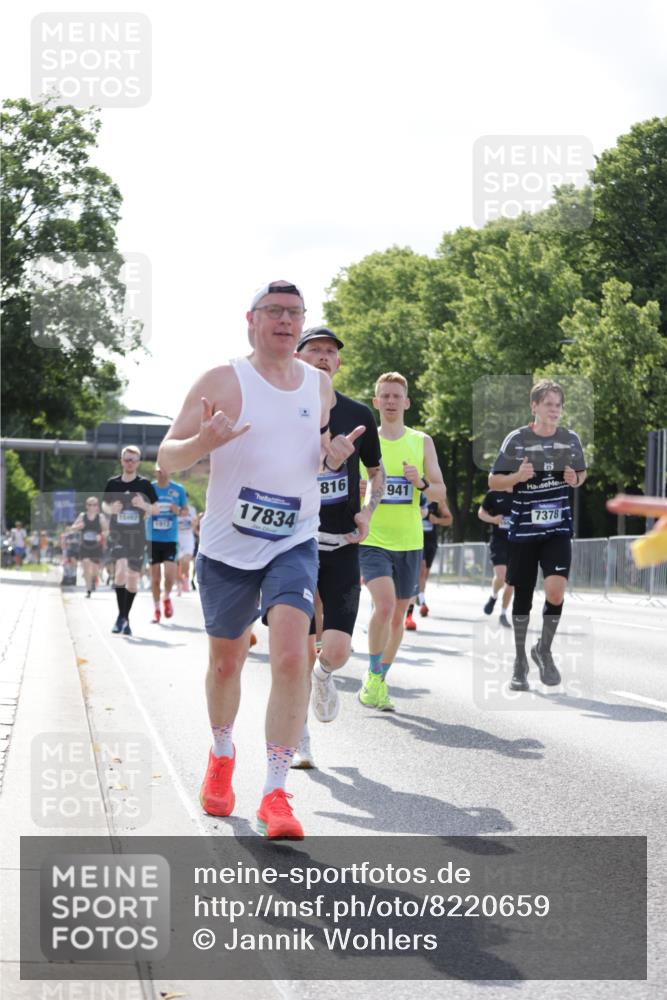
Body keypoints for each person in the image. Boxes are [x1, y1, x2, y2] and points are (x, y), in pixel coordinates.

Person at [157, 281, 360, 839]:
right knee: (226, 663)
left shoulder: (318, 385)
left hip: (293, 538)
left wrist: (331, 453)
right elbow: (167, 455)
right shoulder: (223, 379)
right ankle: (222, 755)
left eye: (296, 313)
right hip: (226, 546)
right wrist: (202, 441)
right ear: (251, 319)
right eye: (275, 311)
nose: (287, 321)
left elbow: (313, 449)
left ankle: (275, 792)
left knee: (294, 655)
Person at [290, 327, 385, 769]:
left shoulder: (357, 414)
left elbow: (377, 474)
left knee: (338, 649)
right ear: (298, 357)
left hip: (342, 542)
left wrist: (368, 511)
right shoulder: (282, 410)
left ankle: (324, 676)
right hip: (294, 544)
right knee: (295, 647)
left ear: (339, 364)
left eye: (331, 353)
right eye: (315, 351)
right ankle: (300, 739)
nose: (324, 358)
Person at [489, 379, 587, 691]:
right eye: (548, 404)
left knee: (556, 593)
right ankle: (519, 662)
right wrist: (517, 477)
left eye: (558, 405)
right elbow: (494, 481)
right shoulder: (517, 440)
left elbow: (581, 474)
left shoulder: (570, 440)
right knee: (524, 596)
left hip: (557, 528)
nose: (554, 410)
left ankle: (543, 649)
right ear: (534, 407)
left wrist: (575, 478)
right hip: (524, 530)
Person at [358, 372, 447, 712]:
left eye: (397, 395)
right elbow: (347, 487)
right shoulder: (366, 440)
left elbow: (440, 490)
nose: (391, 401)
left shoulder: (421, 441)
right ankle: (371, 670)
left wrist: (421, 482)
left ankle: (378, 680)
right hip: (374, 539)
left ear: (407, 402)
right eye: (385, 396)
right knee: (383, 605)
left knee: (397, 617)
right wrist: (359, 491)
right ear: (376, 402)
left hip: (409, 541)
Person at [102, 446, 159, 636]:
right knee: (120, 571)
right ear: (121, 461)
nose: (130, 463)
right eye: (127, 459)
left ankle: (124, 617)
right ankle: (122, 617)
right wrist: (112, 509)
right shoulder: (113, 483)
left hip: (137, 536)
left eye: (133, 460)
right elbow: (104, 504)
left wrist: (143, 504)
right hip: (118, 534)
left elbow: (157, 510)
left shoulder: (145, 485)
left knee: (133, 579)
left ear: (139, 462)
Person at [146, 465, 188, 623]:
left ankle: (166, 597)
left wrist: (177, 510)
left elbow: (185, 511)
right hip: (152, 539)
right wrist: (149, 509)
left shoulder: (178, 489)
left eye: (165, 470)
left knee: (169, 576)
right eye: (159, 471)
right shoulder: (148, 488)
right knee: (155, 578)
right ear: (155, 472)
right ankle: (156, 609)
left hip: (170, 539)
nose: (162, 473)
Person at [404, 493, 453, 630]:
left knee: (424, 573)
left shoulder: (438, 500)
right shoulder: (413, 492)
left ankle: (421, 596)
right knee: (420, 568)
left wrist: (437, 520)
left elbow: (449, 519)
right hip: (413, 539)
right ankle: (419, 603)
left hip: (430, 540)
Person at [478, 489, 514, 628]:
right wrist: (493, 519)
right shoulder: (494, 493)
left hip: (517, 542)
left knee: (511, 581)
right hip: (499, 540)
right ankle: (494, 596)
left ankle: (503, 614)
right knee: (501, 575)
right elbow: (481, 512)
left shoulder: (522, 491)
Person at [69, 498, 108, 596]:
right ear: (86, 506)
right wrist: (78, 527)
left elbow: (107, 530)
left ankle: (94, 579)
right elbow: (72, 528)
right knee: (86, 565)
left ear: (97, 506)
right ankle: (88, 589)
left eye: (94, 505)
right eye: (90, 505)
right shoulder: (82, 516)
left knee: (94, 570)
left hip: (96, 546)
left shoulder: (101, 517)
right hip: (84, 545)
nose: (92, 507)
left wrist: (101, 535)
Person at [177, 502, 198, 593]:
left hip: (189, 541)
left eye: (186, 510)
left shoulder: (191, 518)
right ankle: (180, 582)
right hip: (178, 541)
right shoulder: (176, 518)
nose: (184, 511)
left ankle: (186, 579)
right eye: (183, 510)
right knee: (179, 563)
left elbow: (195, 525)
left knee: (186, 561)